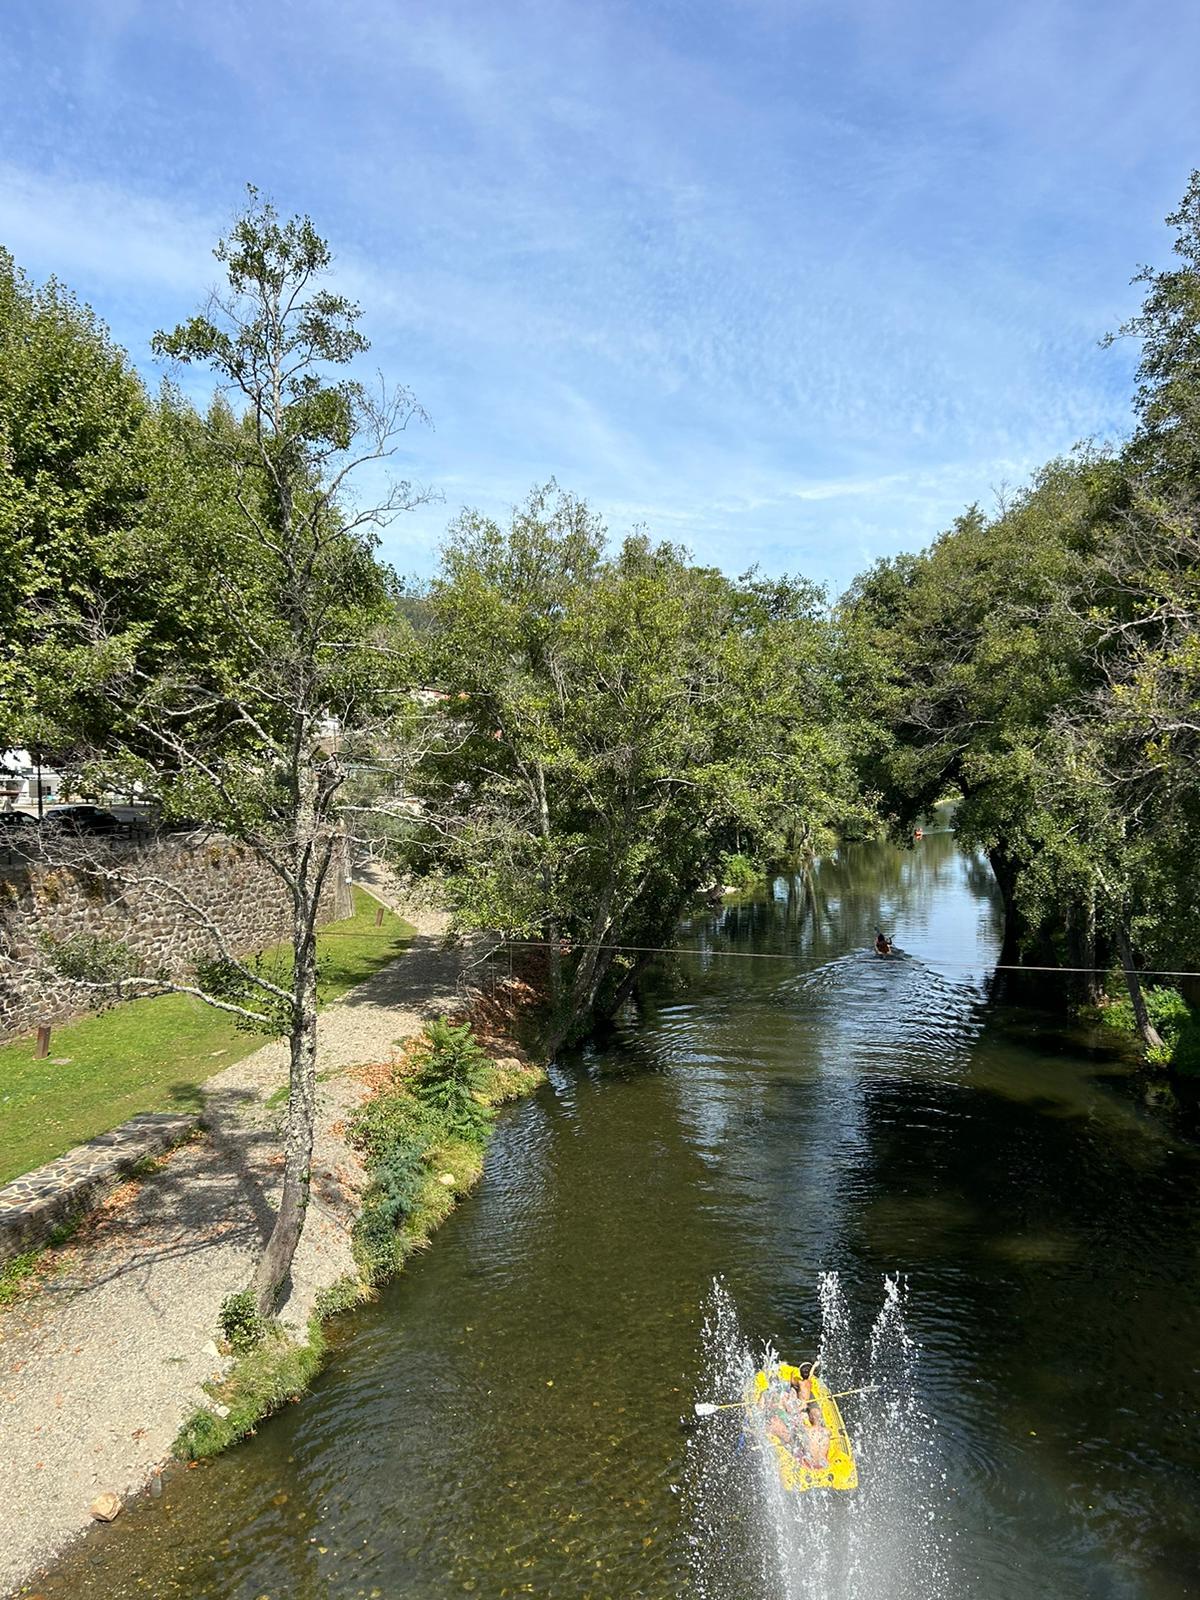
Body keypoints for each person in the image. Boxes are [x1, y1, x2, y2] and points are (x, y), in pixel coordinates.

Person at [798, 1400, 832, 1471]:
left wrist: (800, 1411)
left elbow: (796, 1424)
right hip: (822, 1465)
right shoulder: (827, 1432)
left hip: (808, 1465)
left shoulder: (807, 1430)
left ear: (810, 1418)